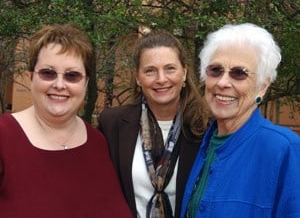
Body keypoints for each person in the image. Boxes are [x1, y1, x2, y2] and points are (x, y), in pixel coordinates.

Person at [0, 23, 132, 218]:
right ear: (31, 77)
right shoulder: (4, 137)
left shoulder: (98, 142)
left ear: (86, 83)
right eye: (48, 73)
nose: (59, 85)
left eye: (72, 76)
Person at [180, 23, 300, 218]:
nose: (223, 83)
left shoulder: (284, 149)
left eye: (239, 73)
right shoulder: (201, 144)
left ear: (262, 86)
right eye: (215, 70)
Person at [98, 30, 208, 218]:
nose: (161, 79)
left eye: (170, 68)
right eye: (150, 71)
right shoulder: (112, 124)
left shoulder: (206, 128)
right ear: (138, 78)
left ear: (184, 72)